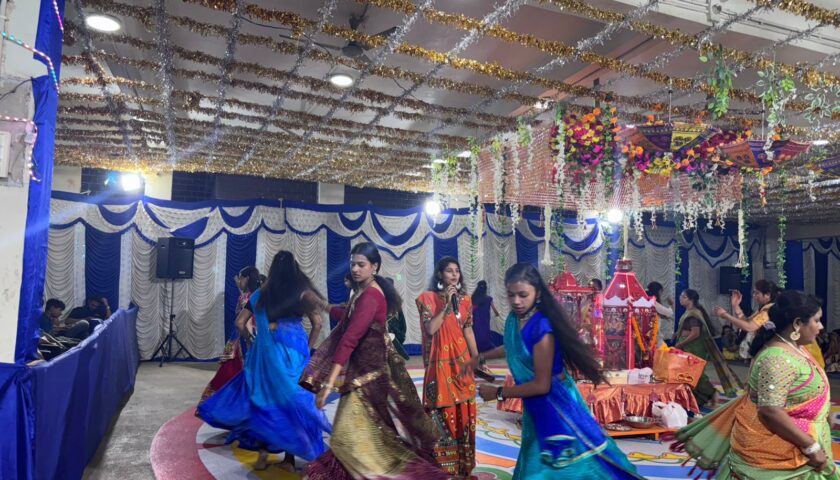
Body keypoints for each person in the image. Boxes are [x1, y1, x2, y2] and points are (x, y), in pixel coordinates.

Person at [465, 263, 642, 479]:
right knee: (535, 462)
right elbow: (514, 345)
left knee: (563, 468)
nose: (516, 301)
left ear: (538, 293)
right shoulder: (515, 319)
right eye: (511, 295)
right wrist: (481, 357)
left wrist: (498, 392)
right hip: (535, 407)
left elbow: (542, 385)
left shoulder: (542, 327)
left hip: (556, 407)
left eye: (523, 295)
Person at [302, 242, 447, 480]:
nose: (355, 269)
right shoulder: (364, 292)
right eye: (353, 264)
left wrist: (328, 384)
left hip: (368, 378)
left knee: (349, 439)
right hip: (364, 374)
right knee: (366, 439)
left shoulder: (371, 295)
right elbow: (347, 315)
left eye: (361, 265)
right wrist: (320, 304)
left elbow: (349, 338)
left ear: (375, 267)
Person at [673, 291, 837, 479]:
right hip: (780, 457)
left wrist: (822, 414)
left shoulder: (796, 348)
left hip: (800, 448)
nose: (821, 327)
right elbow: (770, 411)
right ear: (797, 323)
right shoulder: (777, 358)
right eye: (816, 321)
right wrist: (811, 446)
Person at [197, 251, 330, 472]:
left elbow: (240, 323)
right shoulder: (300, 294)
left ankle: (262, 455)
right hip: (295, 354)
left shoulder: (260, 294)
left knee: (263, 401)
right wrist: (307, 349)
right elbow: (317, 323)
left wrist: (252, 341)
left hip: (266, 355)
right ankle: (289, 460)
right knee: (291, 404)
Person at [416, 256, 479, 478]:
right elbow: (430, 329)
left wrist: (477, 357)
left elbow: (468, 330)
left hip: (461, 363)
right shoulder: (427, 298)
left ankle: (463, 467)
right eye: (449, 271)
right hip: (439, 366)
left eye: (457, 271)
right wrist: (445, 307)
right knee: (441, 412)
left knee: (464, 411)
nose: (454, 274)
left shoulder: (466, 300)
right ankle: (442, 469)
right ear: (440, 274)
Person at [714, 280, 825, 369]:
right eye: (754, 293)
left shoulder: (769, 309)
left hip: (783, 348)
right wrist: (736, 306)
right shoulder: (764, 308)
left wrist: (725, 315)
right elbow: (747, 322)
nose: (754, 296)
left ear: (767, 295)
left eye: (757, 293)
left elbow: (749, 327)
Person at [196, 266, 260, 410]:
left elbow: (245, 322)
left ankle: (224, 404)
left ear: (246, 279)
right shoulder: (257, 295)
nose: (239, 281)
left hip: (242, 338)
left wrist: (248, 340)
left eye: (241, 278)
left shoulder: (245, 297)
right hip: (253, 336)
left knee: (232, 371)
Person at [674, 289, 742, 408]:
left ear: (691, 300)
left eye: (683, 297)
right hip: (688, 347)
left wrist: (680, 344)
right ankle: (696, 399)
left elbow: (695, 333)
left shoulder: (694, 314)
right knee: (688, 374)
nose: (680, 298)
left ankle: (711, 393)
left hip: (694, 348)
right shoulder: (689, 312)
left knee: (696, 375)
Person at [381, 277, 410, 360]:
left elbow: (402, 322)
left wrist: (401, 335)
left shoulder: (396, 303)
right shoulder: (378, 300)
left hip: (395, 336)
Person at [471, 280, 502, 352]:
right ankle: (485, 347)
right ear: (485, 288)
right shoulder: (488, 299)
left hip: (476, 319)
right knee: (485, 332)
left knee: (476, 332)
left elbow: (470, 309)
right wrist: (497, 314)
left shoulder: (474, 298)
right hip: (485, 320)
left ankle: (475, 347)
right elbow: (495, 310)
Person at [646, 281, 675, 347]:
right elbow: (669, 313)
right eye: (661, 292)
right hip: (653, 335)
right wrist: (672, 304)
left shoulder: (645, 300)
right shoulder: (653, 303)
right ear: (658, 291)